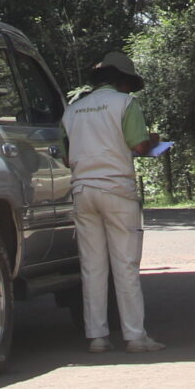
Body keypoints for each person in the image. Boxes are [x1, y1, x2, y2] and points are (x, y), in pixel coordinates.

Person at [64, 51, 167, 354]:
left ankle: (97, 336)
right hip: (117, 188)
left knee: (92, 267)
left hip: (83, 189)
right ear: (122, 81)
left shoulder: (73, 110)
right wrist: (154, 142)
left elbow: (66, 156)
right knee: (125, 265)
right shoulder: (125, 103)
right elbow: (138, 144)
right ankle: (135, 336)